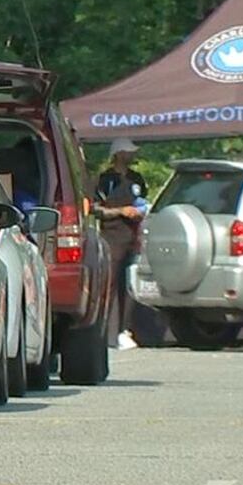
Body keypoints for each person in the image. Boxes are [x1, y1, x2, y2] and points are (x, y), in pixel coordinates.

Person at [95, 138, 148, 349]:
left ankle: (125, 330)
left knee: (129, 286)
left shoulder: (137, 178)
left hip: (132, 238)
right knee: (111, 284)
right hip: (112, 237)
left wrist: (138, 212)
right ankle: (109, 332)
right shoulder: (105, 179)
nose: (131, 155)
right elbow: (96, 208)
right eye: (127, 152)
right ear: (118, 154)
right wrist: (119, 211)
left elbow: (143, 202)